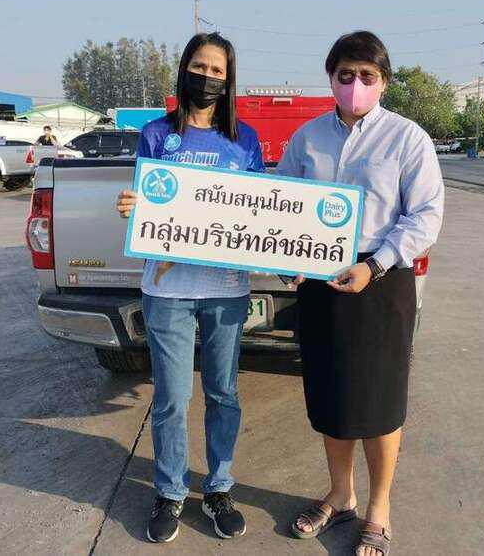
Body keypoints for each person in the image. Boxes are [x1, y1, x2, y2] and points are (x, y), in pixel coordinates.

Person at [277, 31, 444, 556]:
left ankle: (379, 507)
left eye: (366, 76)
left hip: (381, 283)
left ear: (383, 82)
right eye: (345, 75)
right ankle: (340, 494)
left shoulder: (407, 138)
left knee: (379, 401)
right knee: (331, 397)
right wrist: (286, 259)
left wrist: (375, 264)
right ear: (330, 78)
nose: (355, 85)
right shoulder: (306, 139)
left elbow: (426, 215)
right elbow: (282, 202)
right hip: (321, 284)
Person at [115, 32, 265, 544]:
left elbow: (262, 210)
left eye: (218, 70)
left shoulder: (244, 139)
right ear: (184, 70)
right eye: (200, 67)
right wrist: (134, 209)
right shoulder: (157, 134)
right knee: (172, 399)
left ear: (229, 80)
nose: (208, 77)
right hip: (167, 290)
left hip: (226, 289)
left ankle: (219, 488)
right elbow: (148, 199)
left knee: (224, 393)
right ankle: (170, 491)